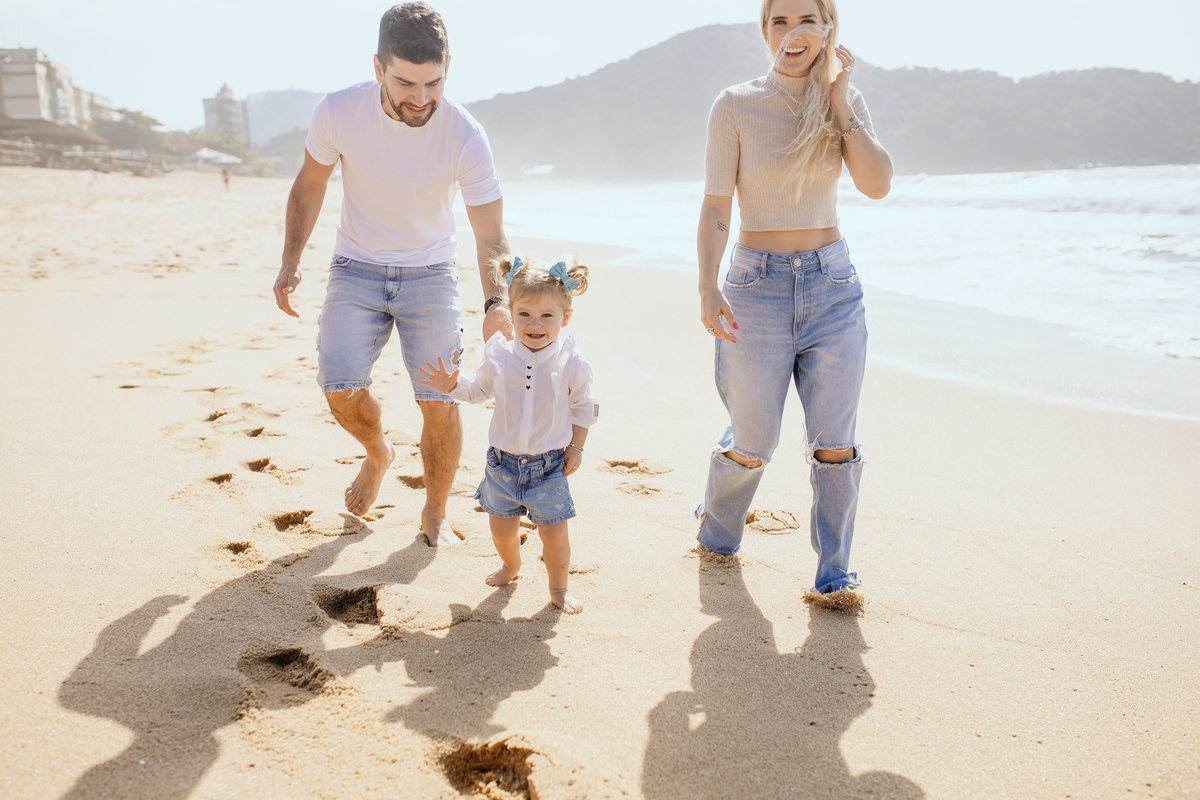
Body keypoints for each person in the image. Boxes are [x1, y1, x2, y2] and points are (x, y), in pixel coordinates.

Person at [271, 3, 512, 546]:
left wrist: (496, 303)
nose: (421, 98)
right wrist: (291, 258)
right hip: (355, 269)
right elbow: (310, 182)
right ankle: (378, 451)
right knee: (340, 388)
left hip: (430, 275)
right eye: (406, 83)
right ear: (378, 67)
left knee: (439, 400)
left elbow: (490, 232)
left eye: (434, 83)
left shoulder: (465, 134)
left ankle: (435, 513)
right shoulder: (339, 111)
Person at [695, 0, 893, 608]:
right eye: (779, 21)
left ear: (827, 27)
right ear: (766, 32)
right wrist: (707, 284)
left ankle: (835, 573)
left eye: (806, 19)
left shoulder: (843, 102)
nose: (793, 31)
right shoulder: (735, 104)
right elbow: (717, 204)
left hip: (832, 286)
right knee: (753, 440)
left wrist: (840, 101)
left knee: (835, 442)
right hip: (755, 287)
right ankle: (717, 531)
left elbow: (877, 184)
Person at [417, 255, 597, 613]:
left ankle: (559, 589)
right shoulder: (500, 355)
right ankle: (511, 565)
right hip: (502, 465)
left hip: (549, 466)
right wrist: (452, 385)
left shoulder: (570, 361)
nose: (535, 324)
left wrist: (576, 447)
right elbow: (478, 390)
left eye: (547, 315)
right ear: (511, 314)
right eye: (524, 314)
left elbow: (584, 407)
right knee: (501, 530)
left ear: (565, 317)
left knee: (555, 534)